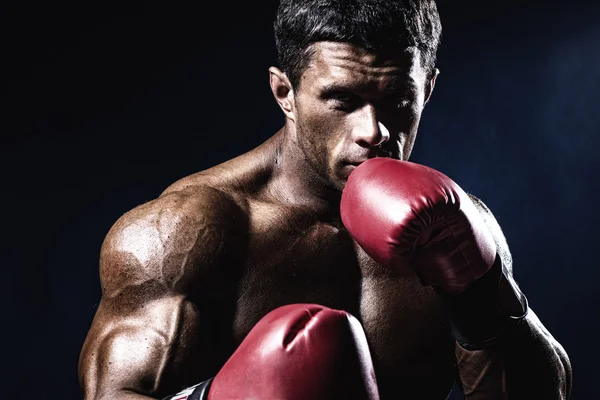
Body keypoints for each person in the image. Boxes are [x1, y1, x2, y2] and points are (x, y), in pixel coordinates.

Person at [78, 1, 572, 399]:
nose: (374, 132)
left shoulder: (453, 223)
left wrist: (477, 292)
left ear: (429, 87)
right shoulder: (188, 232)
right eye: (342, 101)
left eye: (399, 100)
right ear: (284, 91)